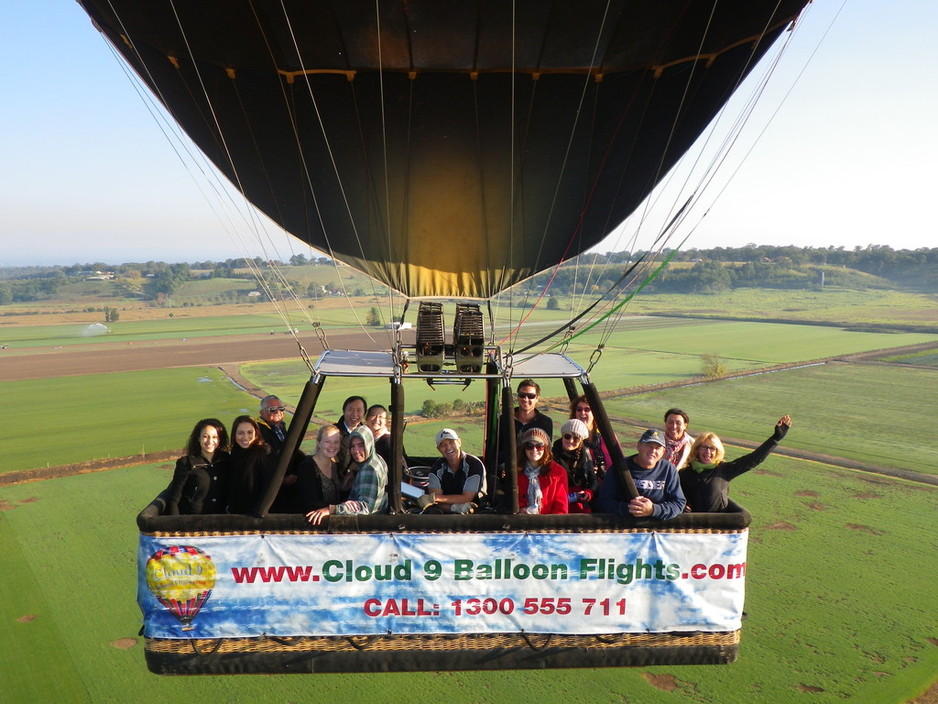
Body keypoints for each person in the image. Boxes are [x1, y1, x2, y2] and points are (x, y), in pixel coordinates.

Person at [680, 416, 793, 512]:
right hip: (692, 528)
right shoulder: (684, 473)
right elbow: (676, 498)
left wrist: (775, 439)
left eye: (712, 448)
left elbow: (753, 459)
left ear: (717, 451)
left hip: (718, 528)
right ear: (697, 449)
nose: (708, 452)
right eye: (704, 447)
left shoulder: (724, 470)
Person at [596, 428, 686, 520]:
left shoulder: (668, 470)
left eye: (657, 448)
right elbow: (603, 502)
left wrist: (653, 510)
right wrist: (629, 508)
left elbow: (679, 503)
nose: (653, 451)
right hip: (622, 529)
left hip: (655, 531)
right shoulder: (619, 467)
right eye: (649, 446)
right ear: (639, 446)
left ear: (663, 452)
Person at [306, 425, 388, 524]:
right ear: (319, 443)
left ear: (369, 444)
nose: (356, 451)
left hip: (366, 525)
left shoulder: (369, 469)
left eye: (361, 445)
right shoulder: (378, 459)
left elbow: (365, 507)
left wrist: (331, 510)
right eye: (352, 446)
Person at [166, 418, 230, 515]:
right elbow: (174, 499)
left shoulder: (225, 460)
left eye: (214, 437)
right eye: (205, 436)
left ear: (220, 439)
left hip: (219, 521)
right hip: (193, 522)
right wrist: (177, 525)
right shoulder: (186, 463)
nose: (210, 441)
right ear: (198, 438)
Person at [256, 394, 305, 511]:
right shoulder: (259, 432)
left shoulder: (281, 428)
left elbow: (292, 451)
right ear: (262, 413)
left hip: (289, 487)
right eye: (272, 410)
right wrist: (282, 480)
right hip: (272, 493)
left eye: (281, 409)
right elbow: (262, 464)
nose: (278, 412)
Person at [424, 428, 486, 514]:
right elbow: (434, 503)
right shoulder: (436, 468)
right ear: (438, 449)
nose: (448, 447)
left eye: (451, 442)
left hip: (478, 512)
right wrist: (455, 508)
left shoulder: (474, 464)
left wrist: (434, 498)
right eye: (443, 445)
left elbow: (467, 498)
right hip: (447, 512)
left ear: (459, 442)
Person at [226, 415, 275, 515]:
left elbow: (268, 486)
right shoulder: (235, 453)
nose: (245, 437)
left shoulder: (263, 453)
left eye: (249, 432)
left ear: (256, 433)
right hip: (236, 513)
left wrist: (258, 511)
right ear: (234, 434)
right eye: (240, 433)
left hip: (255, 515)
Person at [516, 428, 568, 515]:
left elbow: (561, 508)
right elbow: (511, 500)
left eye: (539, 446)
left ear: (546, 449)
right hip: (520, 522)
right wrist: (521, 509)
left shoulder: (558, 472)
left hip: (548, 524)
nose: (534, 450)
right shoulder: (516, 471)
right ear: (524, 448)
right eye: (529, 446)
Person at [295, 424, 345, 513]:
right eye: (327, 441)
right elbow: (310, 502)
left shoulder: (334, 465)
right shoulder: (308, 467)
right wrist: (333, 509)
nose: (332, 446)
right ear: (319, 443)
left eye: (336, 442)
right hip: (312, 523)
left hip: (332, 521)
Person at [552, 418, 597, 513]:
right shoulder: (551, 455)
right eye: (567, 436)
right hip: (556, 504)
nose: (571, 441)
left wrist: (589, 493)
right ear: (562, 435)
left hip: (579, 504)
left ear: (581, 441)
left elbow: (592, 479)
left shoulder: (585, 455)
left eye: (576, 438)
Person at [570, 394, 614, 481]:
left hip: (606, 484)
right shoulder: (570, 438)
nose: (582, 413)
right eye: (579, 409)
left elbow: (618, 463)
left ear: (594, 413)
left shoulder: (606, 437)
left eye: (587, 409)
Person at [335, 395, 367, 481]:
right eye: (350, 410)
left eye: (359, 410)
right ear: (343, 411)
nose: (354, 414)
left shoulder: (367, 434)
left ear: (364, 413)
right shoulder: (333, 433)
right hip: (338, 483)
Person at [366, 404, 393, 469]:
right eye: (373, 415)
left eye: (381, 417)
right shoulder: (365, 438)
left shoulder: (388, 441)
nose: (377, 419)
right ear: (367, 418)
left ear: (385, 421)